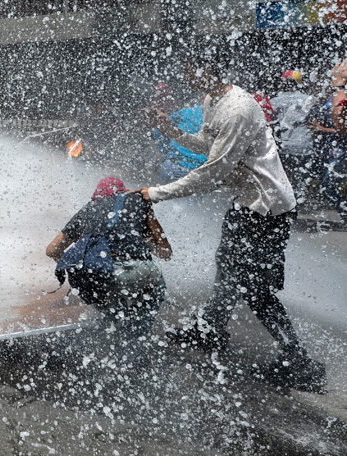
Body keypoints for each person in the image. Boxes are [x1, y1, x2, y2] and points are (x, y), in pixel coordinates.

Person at [140, 54, 325, 392]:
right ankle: (210, 331)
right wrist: (173, 132)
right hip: (245, 203)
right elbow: (210, 146)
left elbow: (213, 170)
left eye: (189, 69)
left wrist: (155, 193)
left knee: (257, 290)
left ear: (209, 71)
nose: (186, 76)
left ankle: (299, 361)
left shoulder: (238, 108)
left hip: (269, 210)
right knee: (226, 267)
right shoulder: (214, 99)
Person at [47, 176, 173, 344]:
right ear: (123, 191)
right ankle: (136, 340)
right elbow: (165, 252)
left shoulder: (88, 210)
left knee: (104, 299)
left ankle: (111, 336)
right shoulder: (139, 203)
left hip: (106, 275)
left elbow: (52, 250)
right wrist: (147, 215)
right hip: (143, 271)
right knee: (146, 304)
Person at [272, 70, 317, 208]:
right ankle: (297, 206)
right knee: (300, 181)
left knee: (282, 179)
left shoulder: (275, 100)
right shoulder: (309, 100)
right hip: (303, 145)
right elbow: (314, 121)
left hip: (283, 146)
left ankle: (283, 208)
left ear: (283, 83)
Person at [309, 63, 347, 221]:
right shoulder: (336, 95)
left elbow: (344, 129)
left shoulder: (342, 97)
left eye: (340, 69)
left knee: (326, 186)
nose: (335, 69)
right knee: (326, 186)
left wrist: (323, 129)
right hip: (333, 150)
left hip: (342, 151)